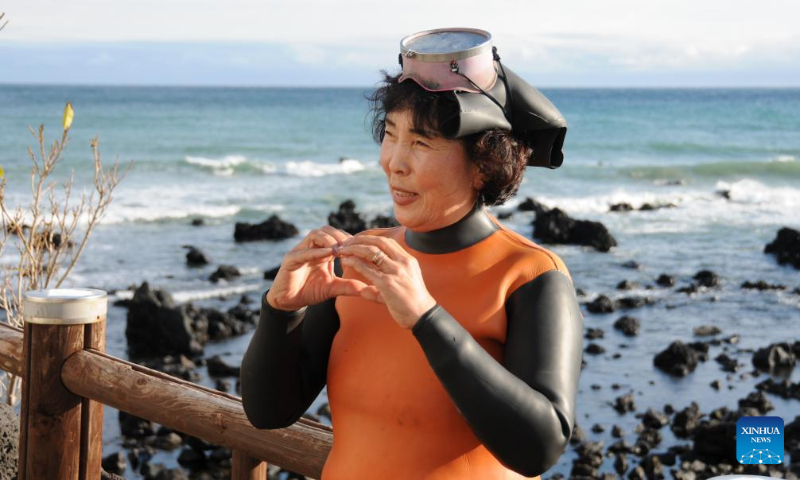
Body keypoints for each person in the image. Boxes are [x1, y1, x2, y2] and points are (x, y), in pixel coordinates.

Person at [241, 28, 583, 479]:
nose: (394, 162)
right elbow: (268, 412)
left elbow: (540, 447)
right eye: (391, 134)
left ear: (484, 165)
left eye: (421, 143)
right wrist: (280, 311)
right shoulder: (357, 263)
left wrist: (426, 317)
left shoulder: (531, 274)